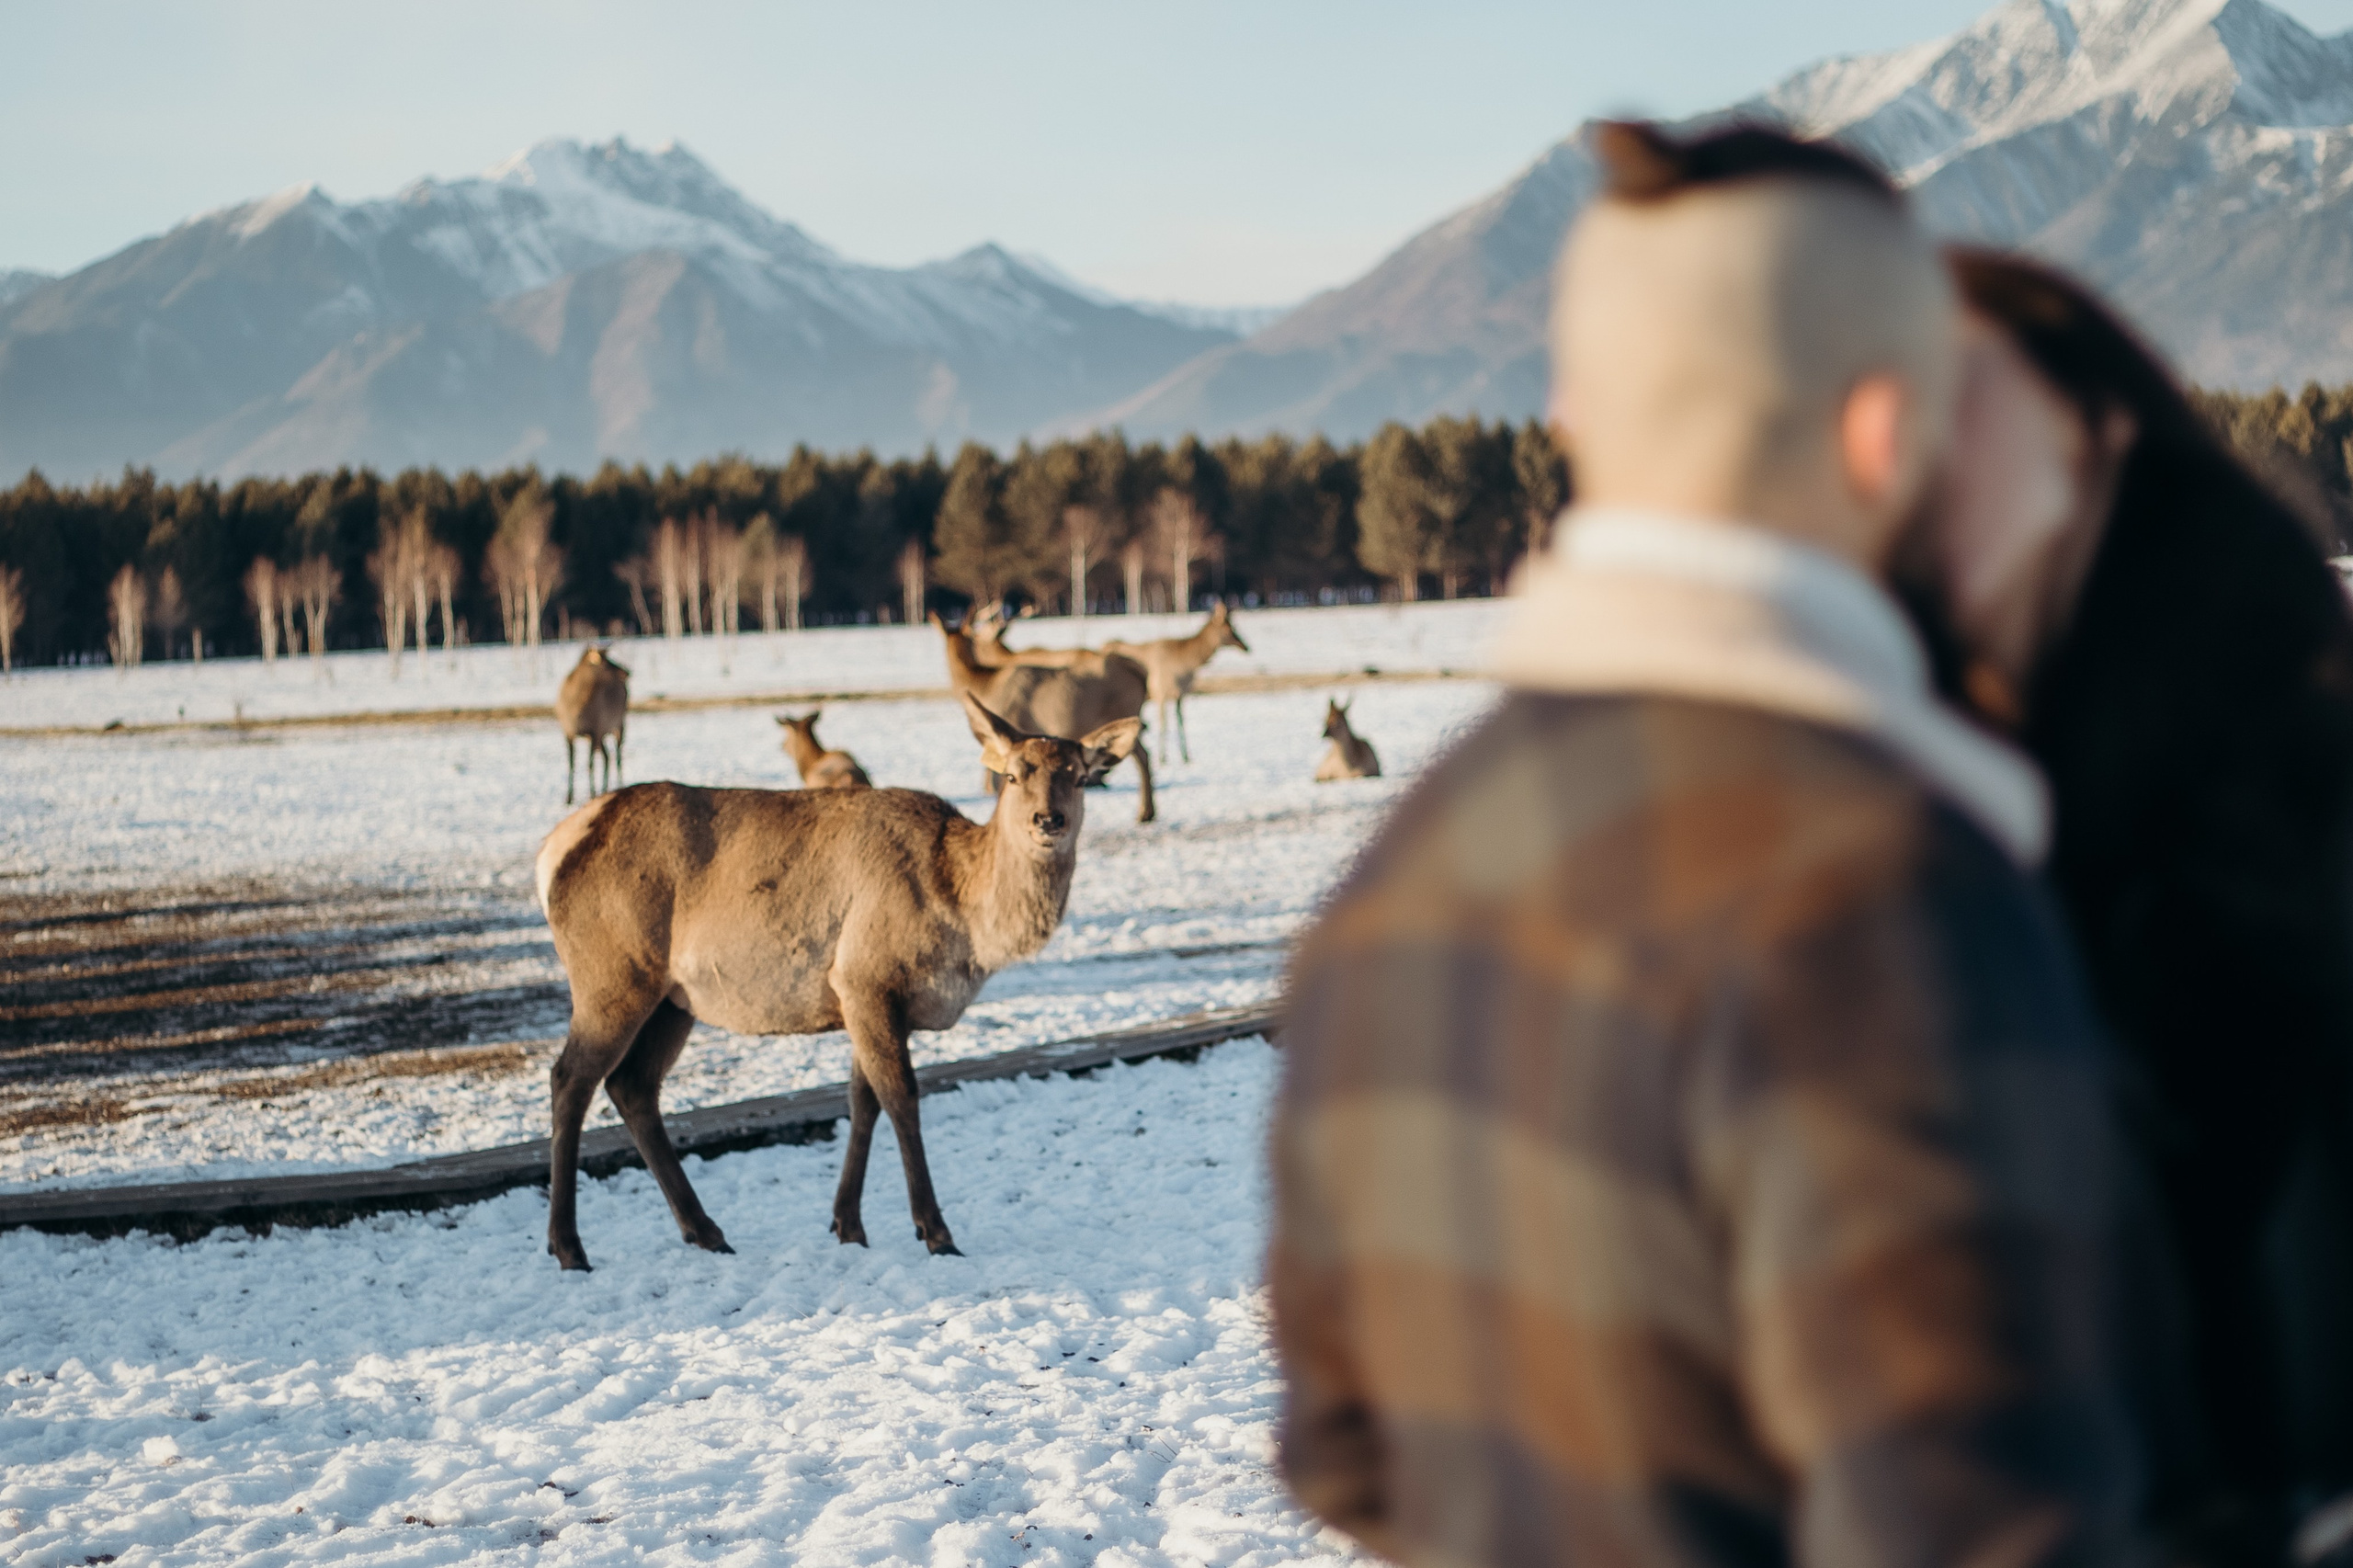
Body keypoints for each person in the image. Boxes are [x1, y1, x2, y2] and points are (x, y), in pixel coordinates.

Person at [1267, 121, 2178, 1568]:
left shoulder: (1393, 889)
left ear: (1574, 412)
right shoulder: (1885, 897)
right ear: (1886, 433)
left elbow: (1341, 1448)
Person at [1897, 249, 2353, 1568]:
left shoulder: (2269, 720)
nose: (1914, 445)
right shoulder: (1900, 770)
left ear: (2093, 429)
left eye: (1959, 396)